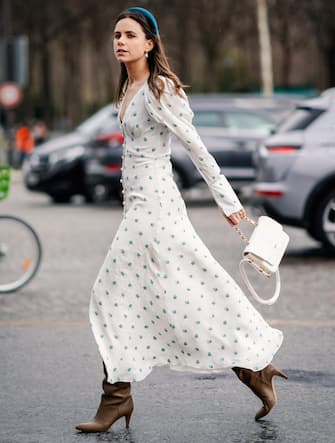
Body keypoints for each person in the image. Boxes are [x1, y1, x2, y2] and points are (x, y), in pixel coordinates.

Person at [75, 7, 287, 433]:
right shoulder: (129, 87)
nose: (120, 41)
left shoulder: (160, 89)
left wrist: (229, 203)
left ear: (150, 43)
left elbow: (196, 147)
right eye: (116, 34)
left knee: (109, 296)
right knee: (189, 292)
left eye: (130, 35)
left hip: (155, 209)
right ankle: (254, 369)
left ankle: (116, 399)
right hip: (140, 208)